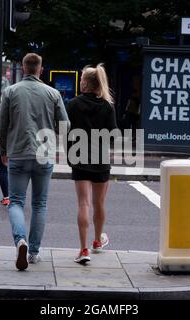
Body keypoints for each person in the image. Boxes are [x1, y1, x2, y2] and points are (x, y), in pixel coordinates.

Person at [0, 53, 69, 270]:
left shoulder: (10, 92)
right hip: (43, 154)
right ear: (41, 69)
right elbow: (65, 125)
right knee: (40, 204)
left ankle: (21, 241)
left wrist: (3, 149)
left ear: (23, 68)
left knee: (16, 202)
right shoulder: (53, 93)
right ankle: (34, 252)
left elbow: (2, 123)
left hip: (18, 152)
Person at [66, 63, 117, 264]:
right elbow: (112, 136)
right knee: (99, 203)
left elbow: (65, 131)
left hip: (79, 159)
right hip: (101, 160)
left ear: (86, 82)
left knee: (83, 204)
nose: (80, 82)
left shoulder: (72, 104)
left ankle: (83, 249)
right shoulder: (107, 106)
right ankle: (97, 240)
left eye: (81, 79)